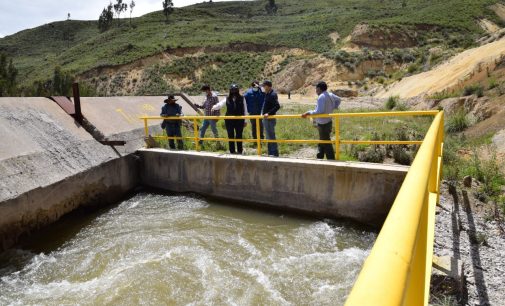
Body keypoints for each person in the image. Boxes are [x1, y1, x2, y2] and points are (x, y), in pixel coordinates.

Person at [302, 81, 341, 160]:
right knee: (323, 139)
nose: (316, 91)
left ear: (319, 89)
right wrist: (334, 107)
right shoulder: (330, 94)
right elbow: (339, 100)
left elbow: (319, 111)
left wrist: (309, 112)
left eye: (316, 89)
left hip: (323, 123)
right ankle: (320, 156)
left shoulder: (321, 97)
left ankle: (331, 159)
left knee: (326, 141)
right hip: (328, 121)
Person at [212, 84, 247, 154]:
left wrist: (245, 120)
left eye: (235, 90)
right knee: (230, 135)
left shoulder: (242, 98)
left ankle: (240, 151)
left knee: (239, 135)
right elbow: (220, 104)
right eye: (232, 90)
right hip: (229, 120)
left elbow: (245, 109)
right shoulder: (227, 98)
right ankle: (232, 151)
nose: (234, 92)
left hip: (239, 120)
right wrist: (214, 107)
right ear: (230, 91)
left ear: (237, 90)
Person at [261, 80, 281, 157]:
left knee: (271, 136)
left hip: (269, 119)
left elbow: (277, 106)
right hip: (266, 119)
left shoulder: (272, 94)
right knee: (268, 136)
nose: (263, 87)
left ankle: (274, 153)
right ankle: (270, 153)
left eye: (264, 86)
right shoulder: (267, 94)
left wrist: (268, 113)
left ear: (268, 86)